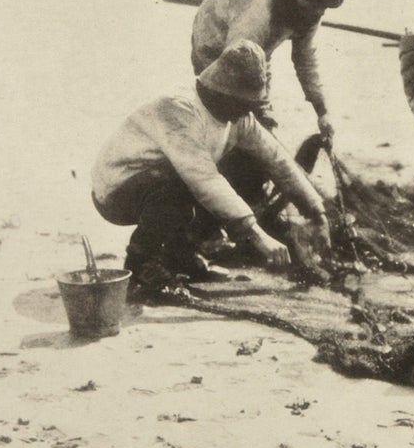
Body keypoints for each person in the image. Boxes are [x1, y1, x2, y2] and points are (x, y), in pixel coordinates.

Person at [92, 39, 329, 296]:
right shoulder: (179, 107)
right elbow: (203, 180)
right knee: (183, 186)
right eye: (244, 104)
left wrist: (316, 212)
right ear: (222, 92)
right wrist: (257, 234)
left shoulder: (237, 117)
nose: (247, 112)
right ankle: (140, 265)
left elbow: (277, 160)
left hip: (170, 181)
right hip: (117, 191)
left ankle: (180, 255)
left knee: (246, 165)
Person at [190, 0, 345, 144]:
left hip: (257, 49)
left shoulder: (311, 11)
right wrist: (257, 110)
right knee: (222, 109)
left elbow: (306, 62)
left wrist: (322, 112)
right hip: (214, 37)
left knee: (260, 119)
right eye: (315, 3)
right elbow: (238, 61)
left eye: (324, 6)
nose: (320, 11)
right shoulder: (259, 8)